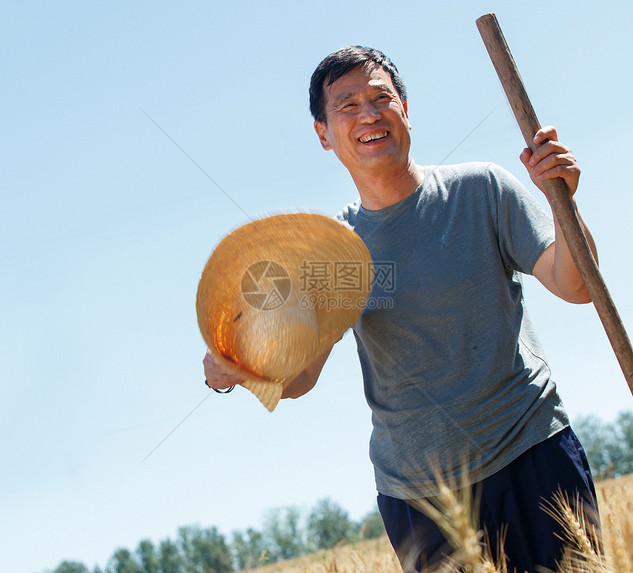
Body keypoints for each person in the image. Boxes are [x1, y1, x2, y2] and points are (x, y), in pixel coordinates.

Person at [204, 45, 601, 572]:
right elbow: (301, 377)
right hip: (421, 496)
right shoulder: (336, 252)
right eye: (347, 105)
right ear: (324, 134)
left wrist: (562, 202)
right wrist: (237, 369)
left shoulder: (481, 190)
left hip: (532, 450)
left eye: (381, 98)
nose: (369, 114)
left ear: (405, 110)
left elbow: (576, 285)